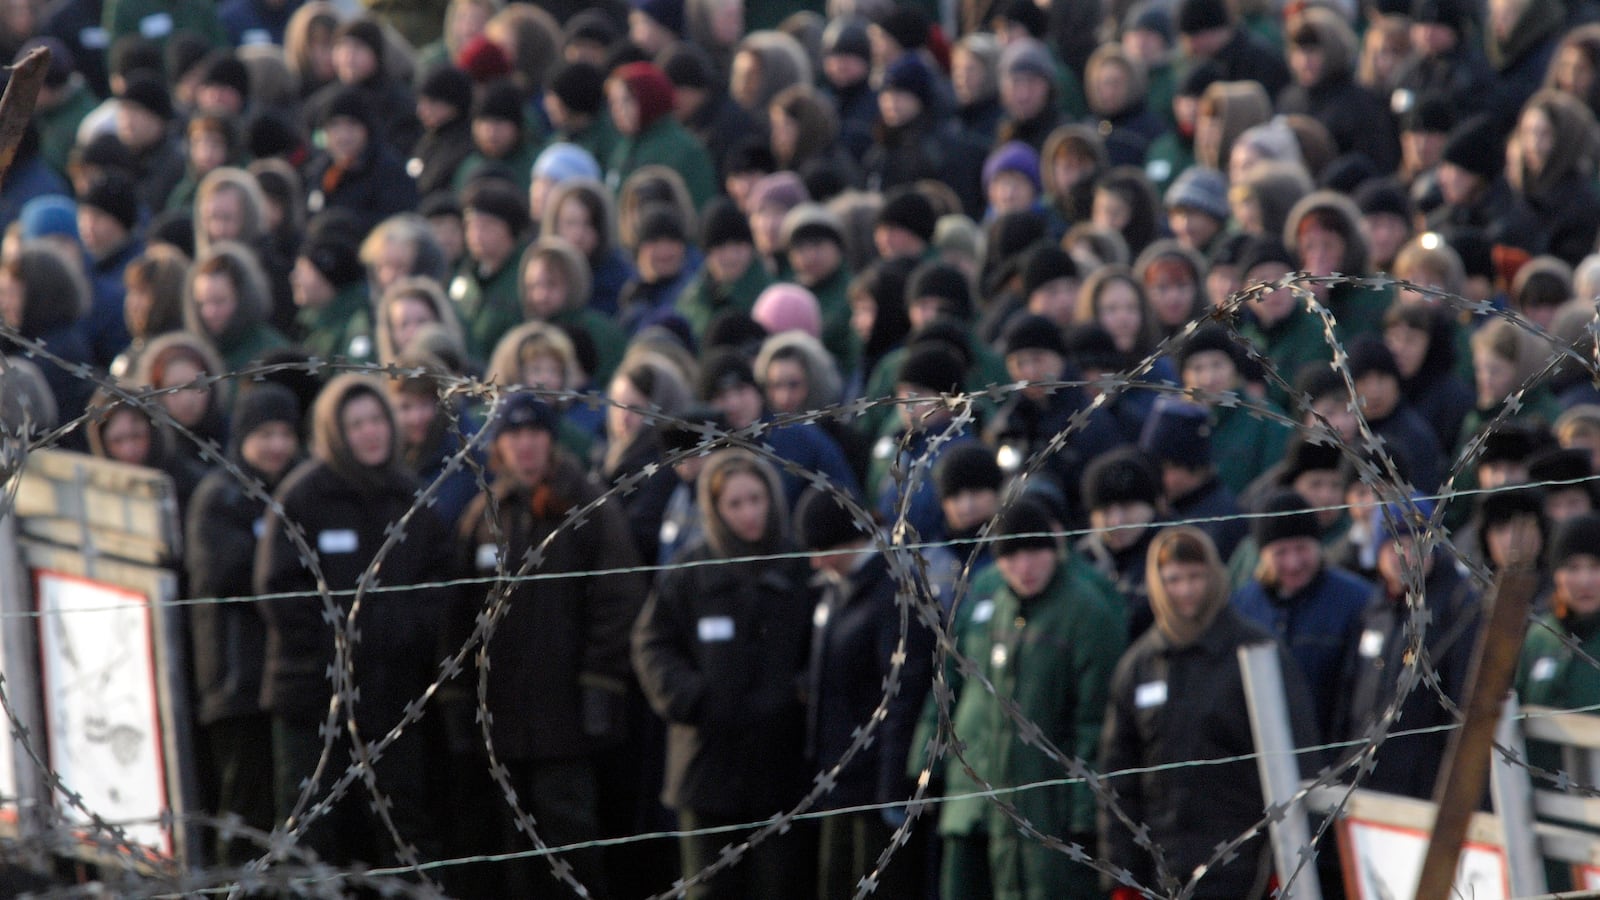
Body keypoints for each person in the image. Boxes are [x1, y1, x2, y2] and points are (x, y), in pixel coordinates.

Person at [445, 392, 646, 896]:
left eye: (536, 434)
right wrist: (459, 698)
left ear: (552, 441)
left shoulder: (587, 506)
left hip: (566, 708)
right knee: (515, 840)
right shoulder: (484, 514)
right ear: (500, 446)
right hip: (504, 709)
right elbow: (456, 613)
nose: (526, 446)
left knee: (569, 834)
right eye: (514, 436)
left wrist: (599, 683)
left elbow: (618, 599)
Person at [254, 374, 453, 867]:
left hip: (392, 695)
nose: (370, 433)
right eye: (356, 423)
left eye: (376, 420)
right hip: (312, 699)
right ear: (335, 432)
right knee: (312, 835)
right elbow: (280, 589)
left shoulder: (412, 499)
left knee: (399, 828)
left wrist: (404, 633)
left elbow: (440, 582)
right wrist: (340, 644)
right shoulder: (302, 498)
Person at [1100, 525, 1320, 900]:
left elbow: (1300, 760)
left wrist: (1287, 863)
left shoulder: (1256, 653)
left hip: (1245, 869)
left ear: (1215, 576)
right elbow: (1118, 779)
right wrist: (1122, 877)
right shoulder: (1139, 665)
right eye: (1173, 580)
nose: (1185, 590)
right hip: (1162, 872)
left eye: (1195, 577)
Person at [632, 449, 815, 900]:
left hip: (780, 764)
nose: (749, 513)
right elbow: (651, 644)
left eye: (756, 499)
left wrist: (799, 693)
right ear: (714, 508)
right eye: (735, 504)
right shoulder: (690, 571)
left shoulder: (796, 566)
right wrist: (692, 698)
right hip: (706, 765)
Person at [936, 497, 1124, 899]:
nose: (1025, 567)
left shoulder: (1086, 613)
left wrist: (1084, 811)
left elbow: (1096, 722)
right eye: (1011, 555)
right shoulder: (1001, 609)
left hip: (1057, 807)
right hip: (1007, 806)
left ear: (1054, 549)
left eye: (1035, 551)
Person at [795, 486, 935, 900]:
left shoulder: (893, 594)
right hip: (839, 781)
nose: (815, 562)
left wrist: (893, 788)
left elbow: (901, 698)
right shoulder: (835, 590)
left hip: (874, 789)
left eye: (823, 550)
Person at [186, 383, 301, 864]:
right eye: (264, 434)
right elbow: (227, 574)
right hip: (237, 683)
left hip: (290, 682)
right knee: (244, 813)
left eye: (284, 434)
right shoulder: (221, 497)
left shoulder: (302, 493)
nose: (275, 445)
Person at [1232, 490, 1373, 737]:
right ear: (1262, 555)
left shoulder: (1357, 601)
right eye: (1280, 553)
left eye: (1302, 548)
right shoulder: (1242, 607)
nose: (1293, 563)